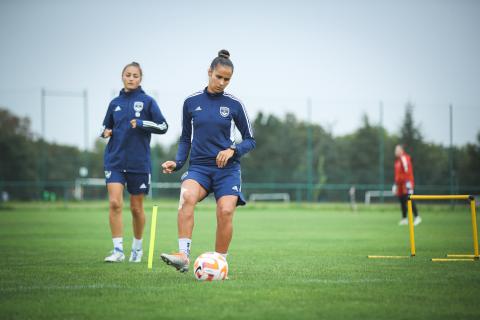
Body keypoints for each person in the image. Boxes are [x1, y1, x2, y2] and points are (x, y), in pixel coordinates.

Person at [160, 50, 255, 273]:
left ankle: (220, 262)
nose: (222, 82)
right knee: (186, 197)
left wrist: (233, 150)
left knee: (225, 211)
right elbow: (185, 138)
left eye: (227, 79)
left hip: (227, 171)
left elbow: (250, 140)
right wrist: (177, 162)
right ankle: (183, 255)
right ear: (209, 72)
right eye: (218, 77)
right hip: (199, 168)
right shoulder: (191, 102)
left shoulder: (235, 105)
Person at [101, 62, 168, 262]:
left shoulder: (148, 102)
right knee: (114, 203)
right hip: (114, 160)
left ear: (140, 79)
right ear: (122, 77)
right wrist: (106, 132)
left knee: (136, 208)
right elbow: (106, 126)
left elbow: (163, 126)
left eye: (135, 75)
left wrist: (141, 123)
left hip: (139, 163)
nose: (131, 78)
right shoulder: (114, 103)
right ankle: (118, 251)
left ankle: (137, 249)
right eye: (128, 75)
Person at [393, 144, 421, 226]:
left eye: (397, 150)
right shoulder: (397, 161)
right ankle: (404, 219)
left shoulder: (404, 158)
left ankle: (417, 217)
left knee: (409, 199)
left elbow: (407, 171)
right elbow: (397, 175)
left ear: (401, 150)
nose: (395, 152)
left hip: (406, 183)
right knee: (402, 200)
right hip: (400, 184)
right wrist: (395, 184)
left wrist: (408, 183)